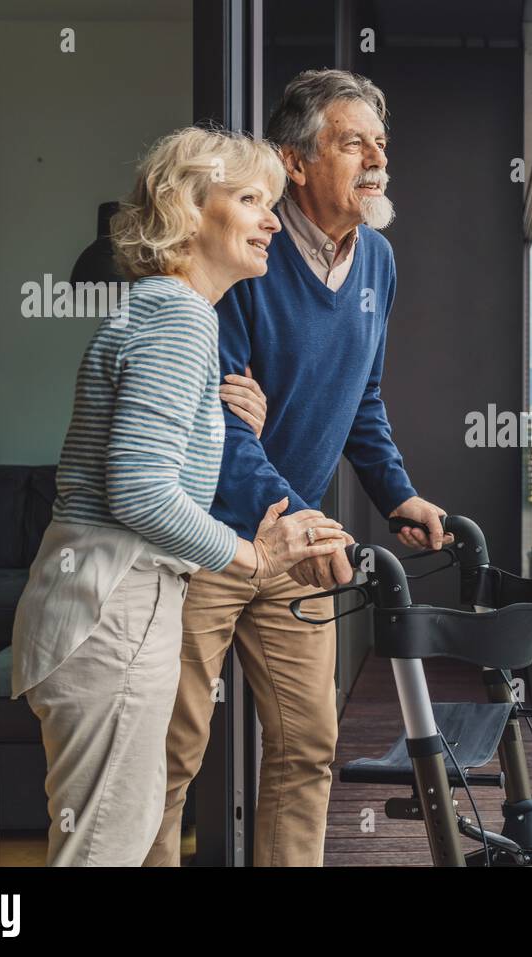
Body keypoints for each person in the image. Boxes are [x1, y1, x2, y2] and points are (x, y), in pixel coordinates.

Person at [10, 127, 350, 867]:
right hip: (118, 602)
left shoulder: (168, 311)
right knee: (107, 849)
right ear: (189, 210)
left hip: (107, 598)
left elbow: (140, 457)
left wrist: (222, 419)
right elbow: (138, 489)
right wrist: (251, 554)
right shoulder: (180, 316)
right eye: (252, 199)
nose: (271, 219)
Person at [145, 70, 448, 867]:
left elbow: (363, 397)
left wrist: (398, 494)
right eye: (354, 142)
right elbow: (222, 427)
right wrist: (302, 520)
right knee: (172, 755)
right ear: (296, 163)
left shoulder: (377, 261)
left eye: (381, 142)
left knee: (308, 746)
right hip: (206, 539)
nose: (377, 157)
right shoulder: (247, 254)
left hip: (296, 543)